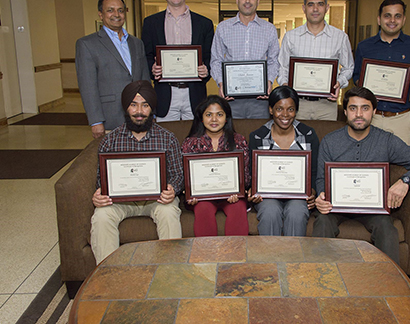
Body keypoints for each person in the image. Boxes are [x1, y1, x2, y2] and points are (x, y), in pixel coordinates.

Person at [313, 86, 410, 264]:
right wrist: (322, 196)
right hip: (335, 206)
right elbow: (321, 178)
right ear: (345, 111)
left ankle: (391, 285)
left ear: (374, 111)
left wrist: (405, 182)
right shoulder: (330, 141)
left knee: (387, 229)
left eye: (365, 108)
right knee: (322, 222)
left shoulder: (386, 140)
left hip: (372, 207)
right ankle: (320, 281)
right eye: (353, 108)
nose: (359, 114)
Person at [90, 80, 183, 264]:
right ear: (126, 108)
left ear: (152, 108)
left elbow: (178, 174)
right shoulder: (110, 141)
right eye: (133, 105)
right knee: (101, 216)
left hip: (156, 200)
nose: (139, 112)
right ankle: (108, 277)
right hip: (121, 201)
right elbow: (103, 179)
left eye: (145, 105)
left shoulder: (168, 138)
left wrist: (172, 189)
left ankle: (171, 273)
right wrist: (99, 194)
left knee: (169, 212)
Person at [353, 0, 410, 145]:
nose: (392, 20)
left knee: (400, 164)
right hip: (372, 117)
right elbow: (356, 76)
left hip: (401, 119)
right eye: (387, 15)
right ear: (379, 19)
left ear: (403, 19)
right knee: (368, 163)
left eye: (397, 16)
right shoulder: (364, 46)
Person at [142, 0, 214, 121]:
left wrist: (206, 69)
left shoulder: (204, 23)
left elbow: (210, 57)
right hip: (165, 94)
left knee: (195, 141)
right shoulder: (151, 23)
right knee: (166, 140)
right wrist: (152, 68)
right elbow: (146, 56)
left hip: (194, 94)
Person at [76, 0, 150, 138]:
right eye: (110, 10)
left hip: (139, 116)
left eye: (120, 10)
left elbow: (144, 79)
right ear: (100, 14)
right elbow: (87, 86)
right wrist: (96, 121)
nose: (116, 14)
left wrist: (150, 111)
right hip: (109, 117)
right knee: (114, 159)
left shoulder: (136, 43)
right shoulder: (87, 44)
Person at [248, 86, 319, 236]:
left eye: (290, 109)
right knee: (270, 211)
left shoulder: (308, 134)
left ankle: (293, 259)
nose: (285, 114)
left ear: (296, 111)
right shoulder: (257, 136)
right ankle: (270, 258)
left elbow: (314, 171)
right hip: (268, 195)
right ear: (271, 110)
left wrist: (312, 191)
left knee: (297, 212)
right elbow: (251, 172)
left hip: (297, 195)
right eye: (279, 109)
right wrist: (252, 190)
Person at [277, 0, 354, 121]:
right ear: (304, 8)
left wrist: (339, 83)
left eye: (320, 4)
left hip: (327, 105)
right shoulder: (291, 37)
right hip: (297, 104)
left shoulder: (340, 37)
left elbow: (349, 68)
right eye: (311, 4)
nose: (315, 9)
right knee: (298, 140)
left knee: (326, 140)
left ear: (327, 8)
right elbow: (283, 67)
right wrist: (285, 84)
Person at [181, 95, 251, 236]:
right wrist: (190, 193)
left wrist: (238, 190)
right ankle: (208, 256)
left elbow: (246, 175)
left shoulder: (238, 141)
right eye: (209, 115)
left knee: (238, 208)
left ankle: (236, 255)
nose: (214, 119)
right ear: (202, 118)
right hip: (202, 197)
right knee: (203, 209)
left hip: (232, 196)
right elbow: (185, 177)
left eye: (219, 114)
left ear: (226, 118)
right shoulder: (190, 143)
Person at [210, 0, 280, 119]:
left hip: (260, 99)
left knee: (258, 137)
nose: (247, 1)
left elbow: (274, 60)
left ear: (258, 0)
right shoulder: (223, 28)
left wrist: (269, 81)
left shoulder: (269, 29)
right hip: (231, 99)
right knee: (232, 137)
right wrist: (221, 83)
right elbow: (216, 60)